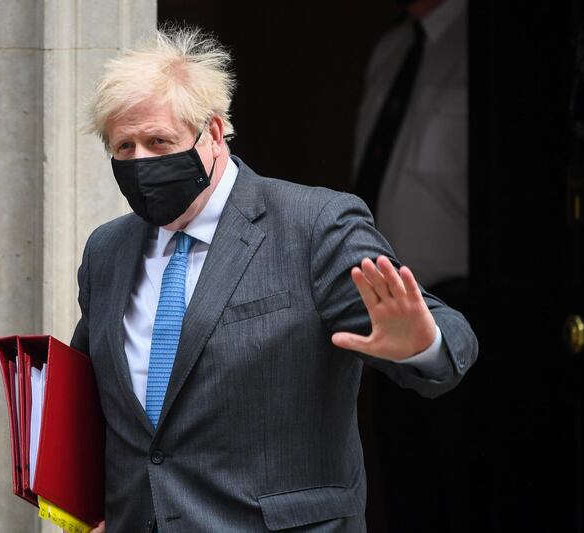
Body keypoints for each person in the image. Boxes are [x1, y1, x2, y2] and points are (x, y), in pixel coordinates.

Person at [72, 27, 477, 533]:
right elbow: (93, 399)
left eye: (159, 142)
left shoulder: (313, 227)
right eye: (124, 148)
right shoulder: (107, 250)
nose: (141, 163)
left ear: (215, 133)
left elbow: (450, 336)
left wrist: (422, 343)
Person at [352, 1, 473, 530]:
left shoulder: (482, 43)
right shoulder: (390, 49)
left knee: (464, 487)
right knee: (404, 482)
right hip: (382, 304)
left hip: (465, 306)